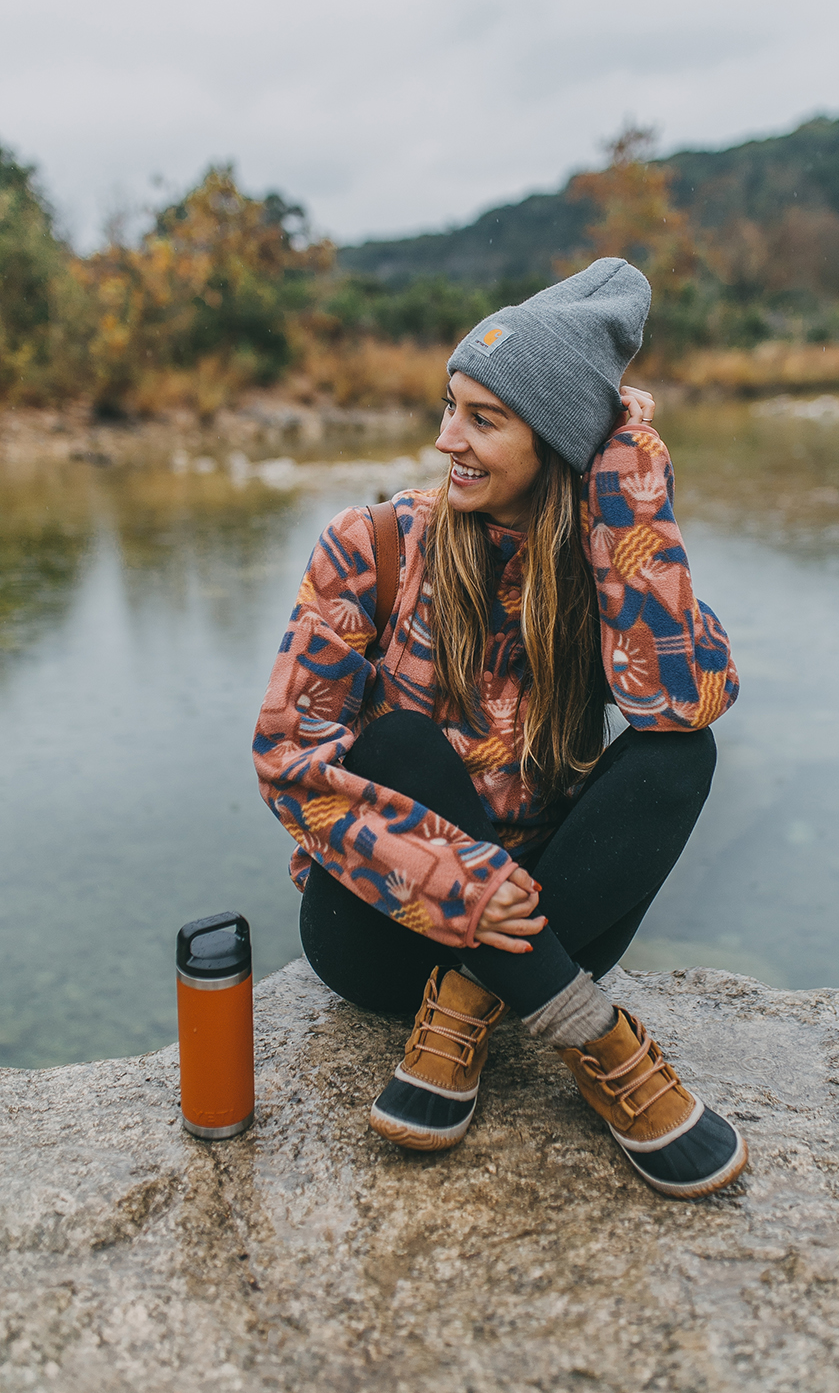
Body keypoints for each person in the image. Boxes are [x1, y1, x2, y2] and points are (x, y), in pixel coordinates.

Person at [253, 258, 746, 1199]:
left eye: (483, 419)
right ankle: (600, 1045)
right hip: (379, 933)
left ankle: (472, 1002)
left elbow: (683, 702)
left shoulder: (600, 559)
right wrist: (466, 887)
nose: (447, 441)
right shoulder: (373, 544)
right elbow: (289, 763)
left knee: (679, 754)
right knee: (398, 746)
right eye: (449, 408)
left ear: (557, 441)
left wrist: (631, 486)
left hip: (553, 908)